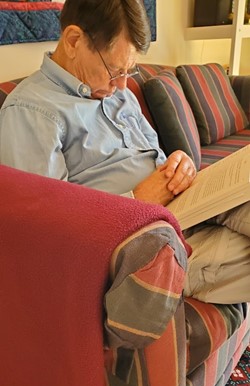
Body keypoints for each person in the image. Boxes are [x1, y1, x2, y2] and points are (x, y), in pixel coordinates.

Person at [0, 0, 249, 304]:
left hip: (186, 209)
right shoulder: (32, 112)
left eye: (130, 71)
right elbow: (48, 238)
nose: (122, 85)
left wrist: (180, 163)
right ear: (74, 40)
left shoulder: (117, 92)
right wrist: (137, 201)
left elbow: (152, 156)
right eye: (115, 70)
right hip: (140, 243)